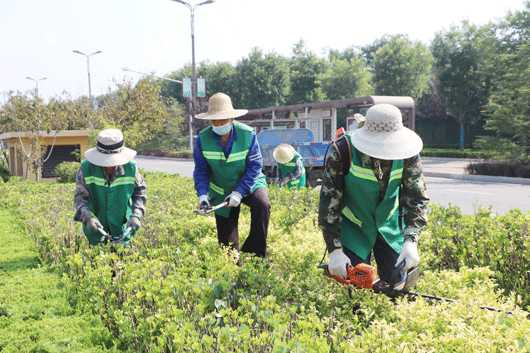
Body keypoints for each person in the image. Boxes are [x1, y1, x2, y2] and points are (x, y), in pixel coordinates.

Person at [318, 104, 429, 285]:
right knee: (356, 284)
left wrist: (411, 240)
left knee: (398, 281)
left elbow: (416, 197)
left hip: (389, 225)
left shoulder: (408, 152)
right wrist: (335, 250)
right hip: (353, 227)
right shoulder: (343, 150)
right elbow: (329, 202)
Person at [193, 92, 270, 257]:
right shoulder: (202, 139)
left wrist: (239, 192)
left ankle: (254, 253)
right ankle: (234, 265)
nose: (219, 124)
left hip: (249, 183)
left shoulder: (247, 134)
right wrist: (203, 196)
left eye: (223, 120)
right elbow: (201, 170)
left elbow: (255, 165)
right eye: (215, 120)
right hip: (221, 189)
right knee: (227, 245)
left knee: (262, 205)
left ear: (231, 119)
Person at [74, 128, 147, 245]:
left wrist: (136, 215)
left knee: (123, 258)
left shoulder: (131, 168)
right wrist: (88, 216)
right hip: (95, 228)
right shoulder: (86, 169)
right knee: (96, 259)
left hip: (123, 227)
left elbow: (140, 192)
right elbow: (80, 198)